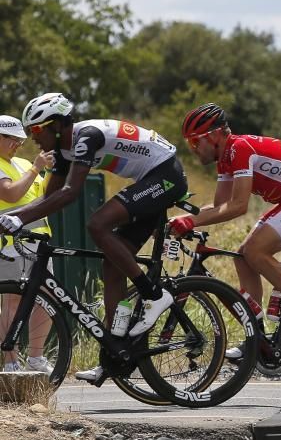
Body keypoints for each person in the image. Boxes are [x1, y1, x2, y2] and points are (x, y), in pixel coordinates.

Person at [0, 93, 189, 383]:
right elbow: (49, 196)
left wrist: (19, 217)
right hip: (147, 181)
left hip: (165, 175)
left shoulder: (86, 136)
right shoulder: (64, 151)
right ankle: (114, 350)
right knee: (112, 265)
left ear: (58, 125)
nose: (32, 137)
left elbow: (70, 193)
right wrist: (13, 218)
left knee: (98, 223)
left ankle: (154, 295)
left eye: (36, 130)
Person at [172, 103, 281, 358]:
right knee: (244, 256)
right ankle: (257, 338)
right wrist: (181, 219)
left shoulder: (239, 149)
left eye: (195, 142)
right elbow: (218, 207)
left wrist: (191, 222)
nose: (193, 149)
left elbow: (238, 206)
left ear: (214, 136)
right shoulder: (225, 159)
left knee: (256, 251)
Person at [0, 116, 54, 373]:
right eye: (12, 139)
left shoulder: (22, 163)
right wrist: (35, 168)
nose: (18, 145)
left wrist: (52, 170)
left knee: (47, 299)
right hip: (12, 243)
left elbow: (43, 193)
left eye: (20, 141)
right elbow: (11, 193)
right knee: (12, 301)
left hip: (39, 240)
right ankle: (11, 362)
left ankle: (36, 358)